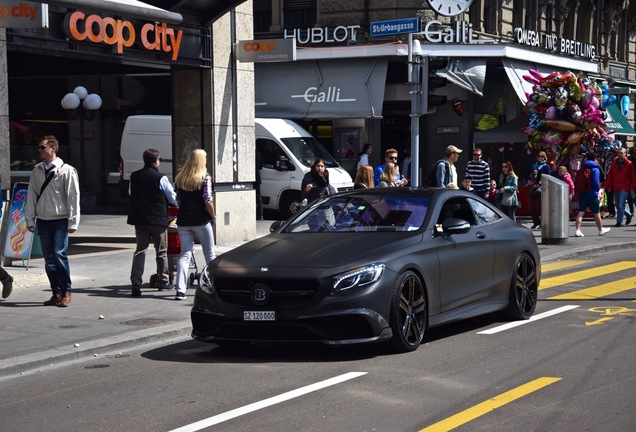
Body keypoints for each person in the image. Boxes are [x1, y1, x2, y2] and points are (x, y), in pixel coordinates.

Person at [25, 135, 80, 307]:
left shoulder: (67, 170)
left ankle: (66, 290)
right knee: (48, 259)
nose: (39, 150)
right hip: (43, 219)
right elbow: (32, 194)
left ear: (53, 149)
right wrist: (30, 219)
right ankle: (55, 292)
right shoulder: (37, 170)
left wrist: (73, 222)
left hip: (60, 219)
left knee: (58, 253)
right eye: (39, 147)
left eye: (43, 147)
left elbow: (73, 197)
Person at [127, 148, 177, 297]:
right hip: (158, 220)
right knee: (161, 251)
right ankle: (163, 282)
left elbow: (131, 193)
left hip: (140, 220)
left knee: (140, 251)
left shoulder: (134, 176)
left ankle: (136, 282)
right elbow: (172, 198)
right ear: (157, 161)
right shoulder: (161, 178)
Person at [173, 149, 216, 301]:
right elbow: (208, 200)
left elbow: (177, 200)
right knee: (210, 254)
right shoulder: (205, 178)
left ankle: (180, 290)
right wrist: (213, 216)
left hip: (183, 220)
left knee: (184, 255)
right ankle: (214, 287)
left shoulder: (180, 178)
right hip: (201, 221)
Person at [574, 152, 611, 237]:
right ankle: (600, 230)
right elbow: (595, 181)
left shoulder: (583, 168)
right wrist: (597, 189)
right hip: (592, 193)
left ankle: (577, 230)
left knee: (581, 212)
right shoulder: (595, 169)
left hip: (582, 192)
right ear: (595, 158)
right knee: (596, 212)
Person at [605, 147, 634, 227]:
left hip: (625, 187)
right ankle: (628, 215)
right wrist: (609, 185)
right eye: (619, 153)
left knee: (621, 205)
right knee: (617, 205)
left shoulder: (629, 164)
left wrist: (633, 187)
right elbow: (610, 175)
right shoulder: (614, 163)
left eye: (621, 153)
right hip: (616, 186)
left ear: (625, 154)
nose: (620, 155)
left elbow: (632, 176)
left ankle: (619, 222)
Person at [528, 150, 551, 229]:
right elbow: (531, 175)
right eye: (539, 156)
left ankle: (542, 223)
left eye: (542, 156)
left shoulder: (546, 166)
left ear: (544, 157)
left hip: (542, 187)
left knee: (542, 206)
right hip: (534, 186)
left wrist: (541, 182)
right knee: (532, 206)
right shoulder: (534, 165)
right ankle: (536, 222)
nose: (540, 158)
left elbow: (548, 176)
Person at [255, 149, 263, 220]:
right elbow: (260, 167)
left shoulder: (251, 154)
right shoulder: (259, 154)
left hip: (252, 178)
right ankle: (260, 214)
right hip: (257, 177)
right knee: (258, 197)